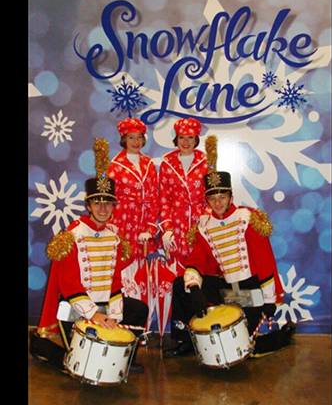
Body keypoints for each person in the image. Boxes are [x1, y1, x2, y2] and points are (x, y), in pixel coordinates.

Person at [29, 138, 149, 373]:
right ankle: (42, 347)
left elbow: (114, 280)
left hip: (105, 302)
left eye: (108, 203)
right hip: (76, 307)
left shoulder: (115, 236)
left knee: (138, 309)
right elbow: (68, 283)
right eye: (97, 203)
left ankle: (125, 358)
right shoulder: (71, 235)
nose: (102, 208)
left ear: (114, 207)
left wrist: (113, 314)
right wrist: (94, 314)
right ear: (89, 205)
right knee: (80, 366)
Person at [163, 155, 296, 359]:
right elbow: (197, 259)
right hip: (225, 288)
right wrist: (195, 288)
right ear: (207, 200)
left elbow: (264, 260)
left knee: (243, 348)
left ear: (231, 197)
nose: (217, 203)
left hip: (251, 290)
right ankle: (186, 340)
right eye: (212, 198)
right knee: (181, 284)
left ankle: (281, 337)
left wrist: (269, 298)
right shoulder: (204, 225)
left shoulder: (248, 217)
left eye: (222, 197)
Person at [107, 118, 159, 299]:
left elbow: (154, 198)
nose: (136, 142)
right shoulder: (115, 165)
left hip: (144, 224)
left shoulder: (149, 164)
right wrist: (110, 224)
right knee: (124, 267)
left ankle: (143, 314)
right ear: (124, 140)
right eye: (131, 138)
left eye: (139, 137)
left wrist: (151, 228)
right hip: (123, 223)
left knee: (144, 272)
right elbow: (109, 199)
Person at [159, 118, 209, 272]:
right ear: (176, 139)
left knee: (200, 265)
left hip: (200, 222)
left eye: (190, 137)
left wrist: (208, 214)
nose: (185, 141)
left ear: (196, 139)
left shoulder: (206, 162)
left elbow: (212, 193)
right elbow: (164, 198)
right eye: (181, 137)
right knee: (176, 268)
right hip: (176, 223)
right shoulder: (167, 164)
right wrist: (167, 228)